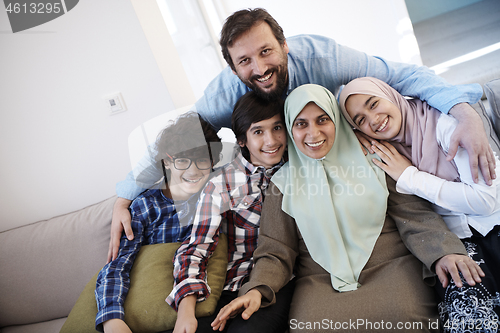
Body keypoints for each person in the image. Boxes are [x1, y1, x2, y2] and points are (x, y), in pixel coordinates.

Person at [109, 8, 496, 263]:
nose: (259, 68)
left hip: (361, 156)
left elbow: (402, 76)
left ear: (284, 46)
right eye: (244, 61)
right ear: (232, 67)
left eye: (266, 52)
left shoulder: (325, 59)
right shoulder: (225, 93)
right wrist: (124, 195)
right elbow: (179, 136)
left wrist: (464, 112)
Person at [211, 84, 483, 333]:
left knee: (402, 319)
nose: (313, 133)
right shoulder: (281, 184)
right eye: (301, 124)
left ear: (337, 120)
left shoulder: (376, 158)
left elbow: (414, 216)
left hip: (391, 267)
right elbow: (275, 250)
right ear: (291, 131)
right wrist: (257, 290)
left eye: (322, 120)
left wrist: (444, 252)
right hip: (320, 281)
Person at [338, 76, 500, 330]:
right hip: (455, 242)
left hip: (494, 224)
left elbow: (485, 201)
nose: (373, 119)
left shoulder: (445, 125)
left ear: (391, 95)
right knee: (470, 315)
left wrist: (409, 177)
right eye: (360, 120)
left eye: (373, 104)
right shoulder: (386, 152)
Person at [166, 91, 293, 333]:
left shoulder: (298, 168)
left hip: (276, 282)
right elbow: (197, 246)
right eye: (258, 131)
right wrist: (186, 312)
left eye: (277, 128)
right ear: (242, 140)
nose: (271, 140)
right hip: (229, 284)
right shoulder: (222, 183)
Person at [94, 112, 222, 333]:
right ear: (166, 162)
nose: (193, 170)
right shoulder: (145, 206)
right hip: (148, 307)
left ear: (213, 162)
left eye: (202, 160)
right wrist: (111, 318)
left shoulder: (215, 193)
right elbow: (117, 264)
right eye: (182, 160)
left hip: (198, 302)